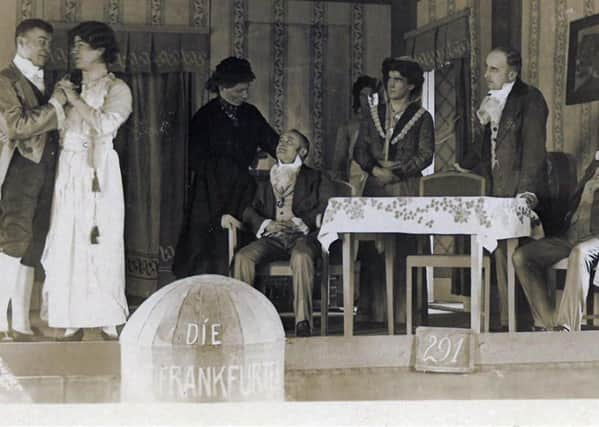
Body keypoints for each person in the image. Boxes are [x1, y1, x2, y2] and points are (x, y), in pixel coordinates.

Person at [41, 21, 132, 341]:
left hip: (100, 173)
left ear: (101, 50)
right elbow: (53, 126)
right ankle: (70, 316)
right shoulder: (70, 85)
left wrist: (74, 100)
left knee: (99, 238)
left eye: (82, 45)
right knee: (68, 237)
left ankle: (106, 316)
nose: (75, 51)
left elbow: (106, 125)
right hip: (69, 170)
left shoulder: (118, 89)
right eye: (74, 45)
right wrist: (60, 100)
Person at [456, 46, 549, 329]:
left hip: (520, 189)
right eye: (486, 68)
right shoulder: (492, 101)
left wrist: (527, 193)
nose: (486, 74)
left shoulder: (530, 99)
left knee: (515, 252)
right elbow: (486, 146)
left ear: (512, 72)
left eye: (493, 69)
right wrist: (464, 165)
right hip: (494, 189)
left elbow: (534, 149)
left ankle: (521, 322)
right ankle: (508, 320)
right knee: (498, 251)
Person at [173, 57, 279, 278]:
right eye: (240, 90)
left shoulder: (251, 114)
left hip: (242, 190)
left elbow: (274, 143)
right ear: (222, 87)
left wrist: (292, 162)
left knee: (245, 247)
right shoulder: (204, 117)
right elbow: (195, 159)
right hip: (210, 193)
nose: (245, 95)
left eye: (246, 90)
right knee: (207, 251)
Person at [354, 57, 434, 328]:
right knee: (374, 249)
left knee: (404, 246)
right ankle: (373, 312)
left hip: (406, 187)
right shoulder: (372, 114)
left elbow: (425, 155)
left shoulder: (422, 118)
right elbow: (359, 151)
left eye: (399, 79)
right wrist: (376, 171)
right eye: (389, 78)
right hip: (375, 187)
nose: (392, 84)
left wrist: (397, 173)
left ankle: (406, 314)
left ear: (411, 85)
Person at [0, 19, 66, 341]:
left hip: (45, 171)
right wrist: (56, 105)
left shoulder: (48, 80)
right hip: (18, 172)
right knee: (13, 239)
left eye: (48, 43)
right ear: (20, 42)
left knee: (32, 245)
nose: (46, 49)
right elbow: (16, 127)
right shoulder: (4, 80)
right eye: (41, 41)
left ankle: (21, 323)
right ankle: (0, 321)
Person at [233, 130, 332, 337]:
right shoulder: (264, 179)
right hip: (273, 239)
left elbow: (327, 206)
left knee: (302, 257)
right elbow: (248, 210)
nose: (282, 144)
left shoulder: (316, 177)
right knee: (242, 257)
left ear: (302, 151)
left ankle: (302, 322)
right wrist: (266, 224)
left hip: (303, 237)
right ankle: (243, 320)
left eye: (290, 141)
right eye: (280, 140)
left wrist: (302, 222)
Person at [513, 153, 599, 332]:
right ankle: (549, 325)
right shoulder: (594, 165)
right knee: (522, 257)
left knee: (580, 253)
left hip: (594, 239)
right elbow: (571, 204)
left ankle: (567, 326)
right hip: (571, 236)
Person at [329, 75, 378, 195]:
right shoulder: (348, 126)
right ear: (358, 98)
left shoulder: (383, 124)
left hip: (378, 179)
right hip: (356, 180)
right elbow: (339, 161)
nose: (367, 100)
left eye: (371, 96)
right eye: (363, 96)